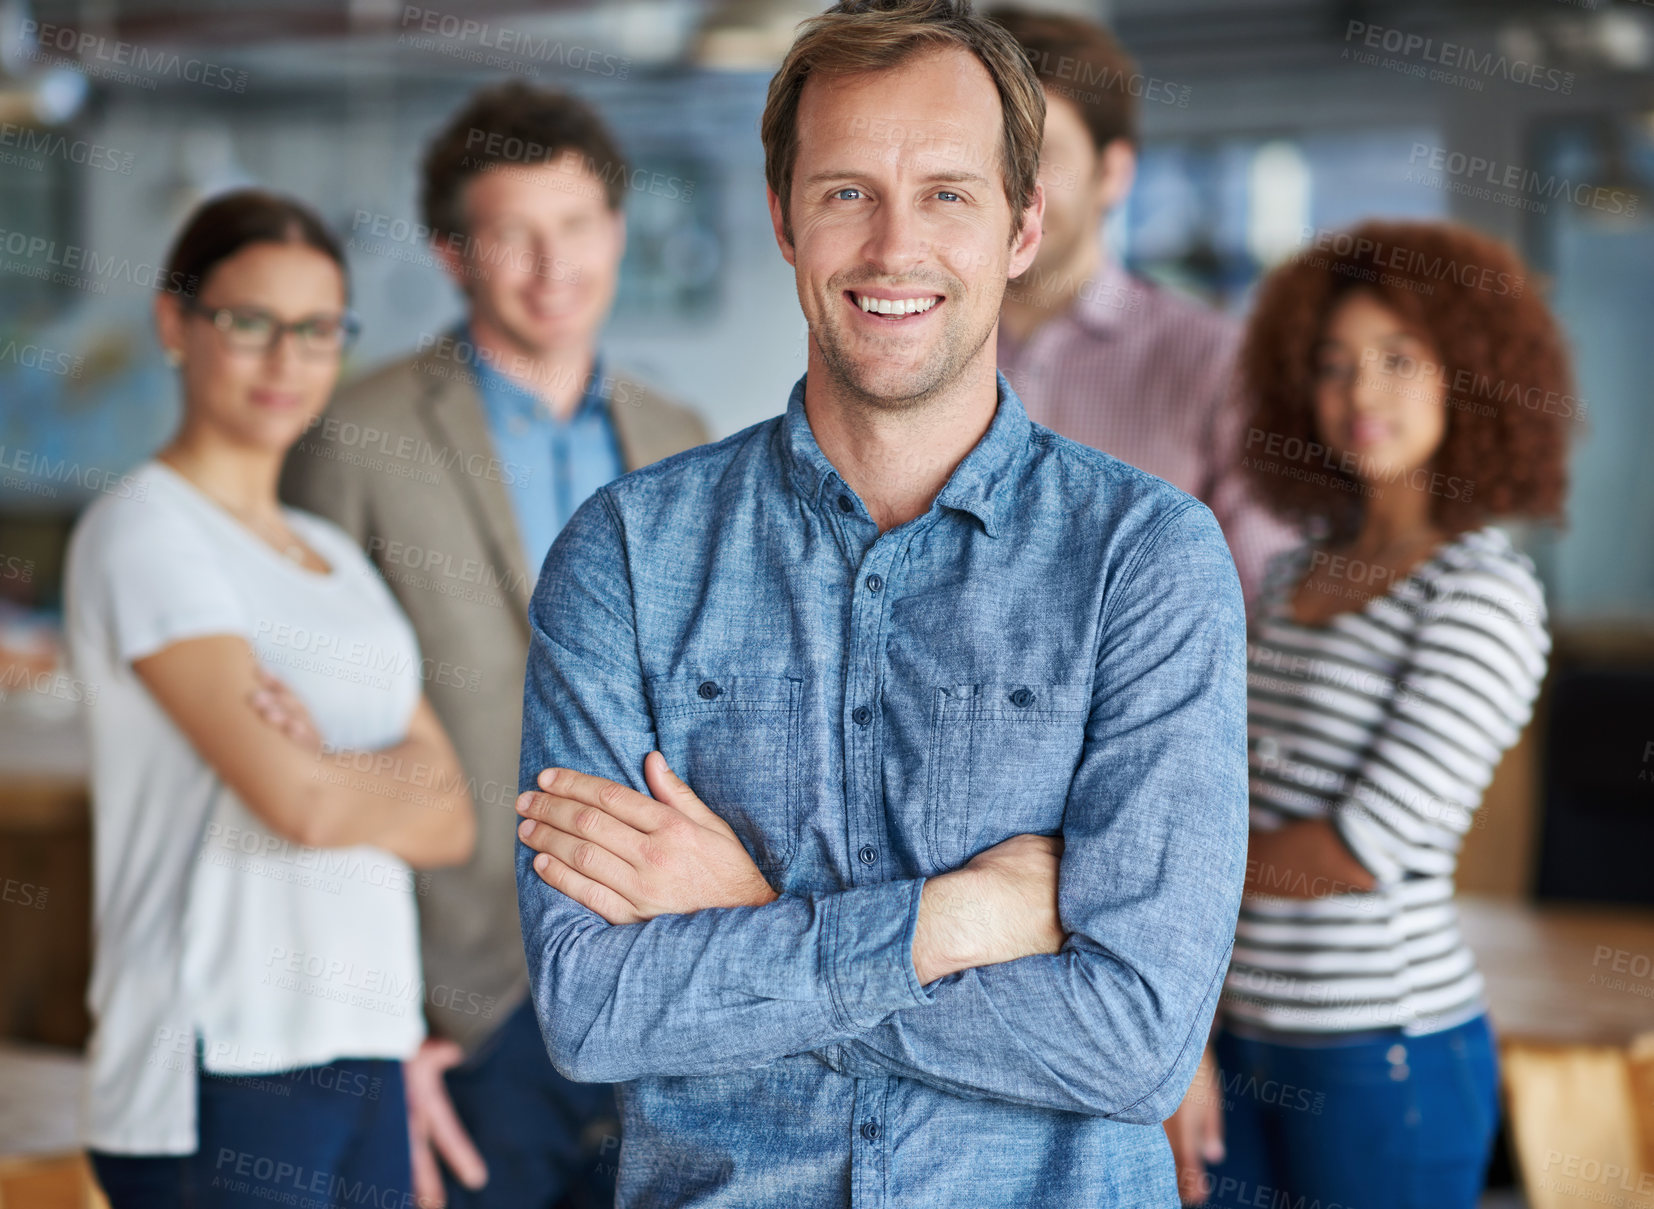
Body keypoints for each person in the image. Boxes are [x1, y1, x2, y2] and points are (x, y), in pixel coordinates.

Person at [509, 2, 1248, 1205]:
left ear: (1023, 225)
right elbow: (596, 1009)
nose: (892, 246)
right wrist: (955, 919)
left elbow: (1135, 1041)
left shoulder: (1146, 561)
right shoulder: (627, 554)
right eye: (847, 191)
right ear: (782, 222)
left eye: (948, 194)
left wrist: (752, 918)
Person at [280, 82, 709, 1209]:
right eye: (511, 234)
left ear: (615, 232)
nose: (550, 265)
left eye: (574, 226)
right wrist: (378, 1022)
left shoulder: (683, 440)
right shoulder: (353, 437)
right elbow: (307, 749)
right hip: (455, 995)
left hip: (652, 964)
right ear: (452, 251)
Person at [64, 189, 476, 1207]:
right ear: (175, 323)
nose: (286, 360)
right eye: (249, 323)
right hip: (219, 1056)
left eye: (318, 330)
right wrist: (365, 778)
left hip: (367, 1041)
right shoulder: (144, 533)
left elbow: (454, 817)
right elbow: (301, 806)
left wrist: (326, 766)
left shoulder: (335, 557)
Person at [1164, 219, 1571, 1208]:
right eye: (1334, 364)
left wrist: (1168, 871)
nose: (1362, 394)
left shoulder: (1478, 595)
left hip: (1382, 1056)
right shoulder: (1295, 572)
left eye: (1399, 359)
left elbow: (1357, 850)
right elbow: (1226, 788)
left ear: (1467, 375)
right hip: (1240, 1037)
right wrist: (1191, 1026)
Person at [987, 7, 1294, 607]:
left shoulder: (1218, 362)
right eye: (991, 152)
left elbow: (1262, 598)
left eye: (1041, 153)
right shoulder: (912, 342)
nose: (1010, 186)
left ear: (1113, 173)